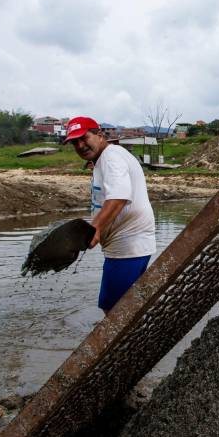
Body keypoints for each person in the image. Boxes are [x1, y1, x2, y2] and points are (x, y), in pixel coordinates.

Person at [64, 116, 156, 313]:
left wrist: (95, 228)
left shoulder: (110, 157)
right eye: (74, 142)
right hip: (130, 246)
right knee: (129, 310)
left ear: (99, 135)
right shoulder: (107, 158)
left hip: (127, 247)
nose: (80, 145)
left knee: (114, 312)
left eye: (84, 137)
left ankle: (127, 345)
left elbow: (119, 195)